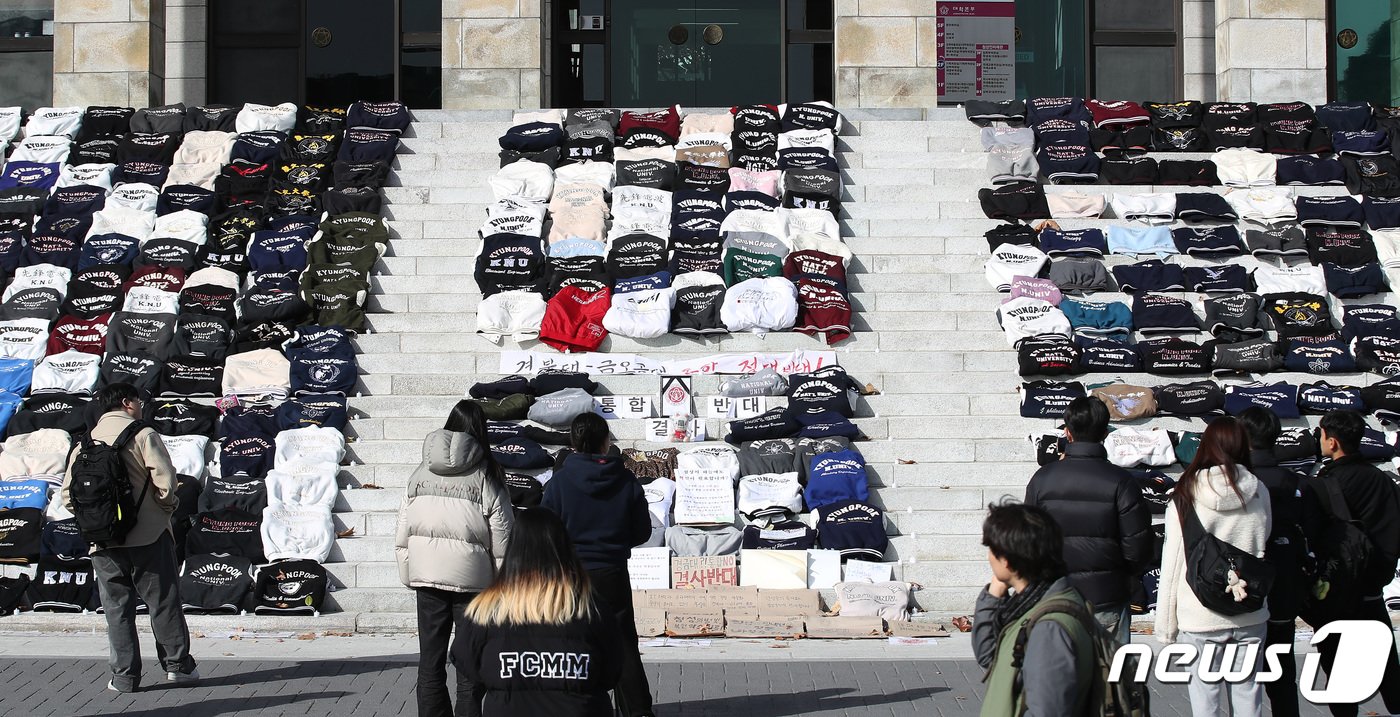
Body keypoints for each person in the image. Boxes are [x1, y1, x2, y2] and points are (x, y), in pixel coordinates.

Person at [60, 383, 198, 693]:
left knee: (116, 609)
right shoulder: (142, 434)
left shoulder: (85, 441)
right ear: (127, 402)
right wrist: (166, 509)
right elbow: (166, 481)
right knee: (162, 602)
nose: (141, 405)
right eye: (138, 400)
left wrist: (96, 521)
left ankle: (124, 677)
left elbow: (68, 496)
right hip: (147, 535)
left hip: (102, 541)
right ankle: (177, 667)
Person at [396, 399, 514, 717]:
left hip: (427, 576)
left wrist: (409, 572)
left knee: (429, 660)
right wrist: (501, 582)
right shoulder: (487, 472)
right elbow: (502, 535)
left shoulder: (421, 471)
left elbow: (404, 529)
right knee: (469, 660)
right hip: (473, 580)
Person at [453, 507, 622, 717]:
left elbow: (465, 662)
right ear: (564, 550)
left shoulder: (485, 610)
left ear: (513, 550)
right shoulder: (590, 608)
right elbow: (612, 672)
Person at [1155, 416, 1271, 717]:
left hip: (1200, 614)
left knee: (1205, 703)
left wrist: (1166, 628)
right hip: (1250, 609)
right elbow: (1263, 539)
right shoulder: (1259, 491)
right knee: (1249, 698)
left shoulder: (1185, 494)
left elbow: (1173, 561)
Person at [541, 413, 654, 717]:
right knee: (624, 646)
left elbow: (545, 529)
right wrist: (616, 544)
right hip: (612, 572)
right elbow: (643, 531)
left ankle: (574, 707)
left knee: (572, 644)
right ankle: (638, 711)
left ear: (574, 442)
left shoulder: (559, 482)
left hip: (571, 575)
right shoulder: (626, 479)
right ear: (606, 442)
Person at [1024, 396, 1152, 643]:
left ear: (1067, 433)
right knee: (1111, 678)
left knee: (1060, 677)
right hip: (1106, 597)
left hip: (1055, 598)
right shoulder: (1121, 481)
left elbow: (1028, 544)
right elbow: (1138, 549)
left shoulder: (1042, 479)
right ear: (1105, 433)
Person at [1300, 409, 1400, 717]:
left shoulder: (1325, 483)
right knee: (1388, 670)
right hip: (1373, 588)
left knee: (1339, 674)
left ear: (1332, 441)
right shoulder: (1382, 480)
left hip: (1338, 591)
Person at [973, 500, 1095, 717]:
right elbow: (992, 659)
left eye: (991, 549)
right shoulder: (1037, 603)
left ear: (1007, 561)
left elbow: (1048, 710)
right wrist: (994, 593)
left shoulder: (1049, 628)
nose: (988, 556)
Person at [1237, 406, 1307, 717]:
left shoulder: (1237, 483)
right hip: (1285, 587)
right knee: (1282, 672)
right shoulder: (1297, 483)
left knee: (1240, 676)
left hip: (1243, 589)